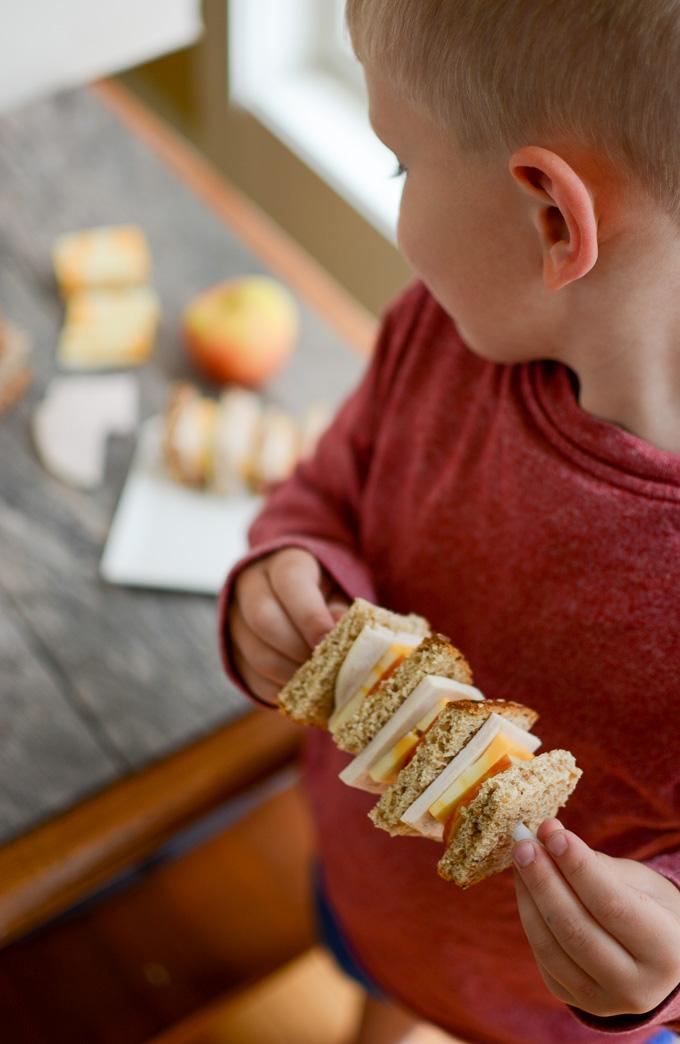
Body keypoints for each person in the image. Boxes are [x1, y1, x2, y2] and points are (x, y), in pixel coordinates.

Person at [219, 2, 680, 1041]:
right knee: (377, 985)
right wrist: (287, 569)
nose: (396, 207)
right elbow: (328, 490)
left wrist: (661, 955)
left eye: (397, 163)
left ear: (551, 219)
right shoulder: (434, 336)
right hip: (374, 888)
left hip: (553, 1009)